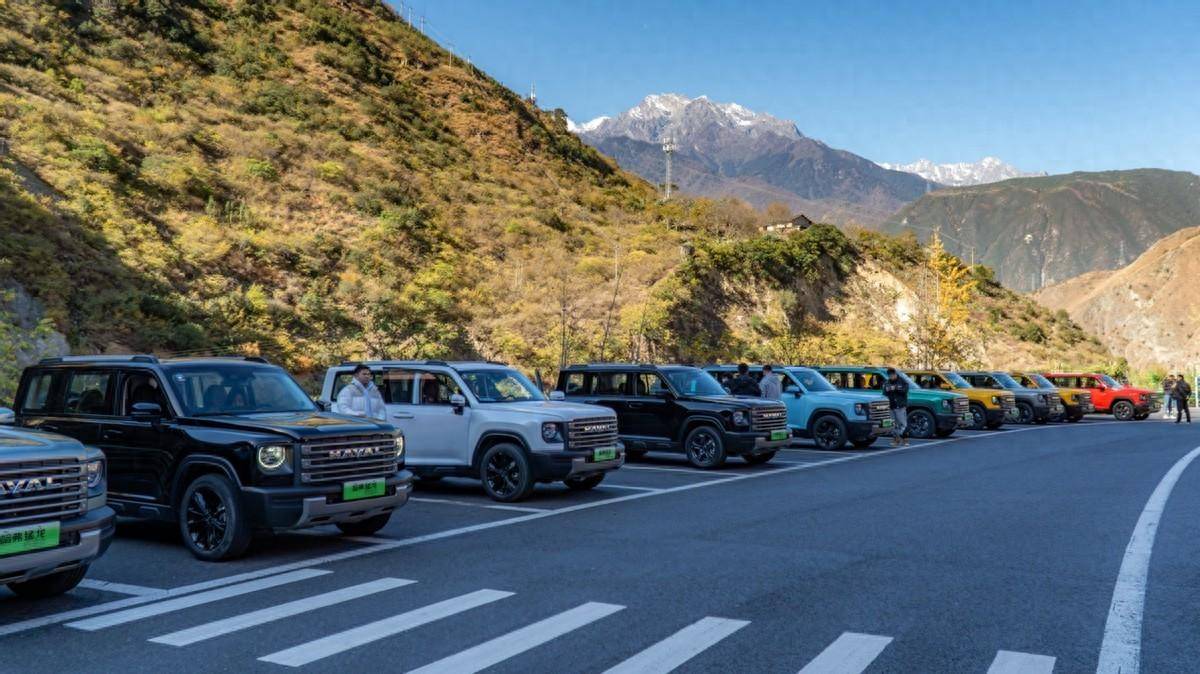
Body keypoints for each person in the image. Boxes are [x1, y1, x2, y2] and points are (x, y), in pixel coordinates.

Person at [882, 367, 909, 446]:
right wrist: (887, 389)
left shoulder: (902, 381)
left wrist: (896, 388)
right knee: (893, 424)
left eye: (892, 375)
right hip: (891, 406)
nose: (891, 377)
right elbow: (884, 393)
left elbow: (905, 390)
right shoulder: (887, 382)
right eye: (889, 375)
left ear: (895, 374)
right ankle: (896, 439)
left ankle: (905, 439)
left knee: (902, 423)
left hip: (900, 406)